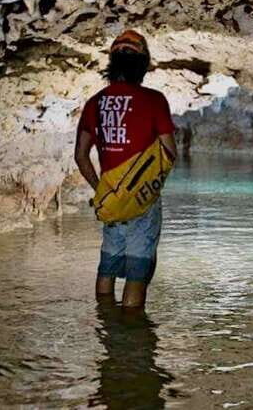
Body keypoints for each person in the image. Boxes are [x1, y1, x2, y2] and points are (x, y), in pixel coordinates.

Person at [74, 30, 177, 309]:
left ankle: (104, 323)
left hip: (111, 199)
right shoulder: (154, 100)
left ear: (112, 62)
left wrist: (103, 190)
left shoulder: (94, 103)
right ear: (143, 64)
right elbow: (169, 152)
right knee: (137, 276)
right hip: (142, 201)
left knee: (106, 268)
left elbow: (81, 156)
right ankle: (130, 341)